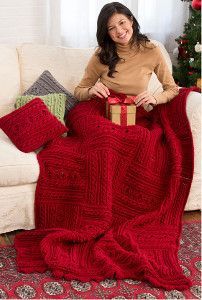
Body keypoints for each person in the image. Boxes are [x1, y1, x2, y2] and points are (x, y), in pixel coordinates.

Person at [74, 1, 179, 107]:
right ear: (107, 33)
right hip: (104, 111)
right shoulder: (102, 54)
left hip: (134, 114)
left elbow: (172, 89)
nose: (119, 31)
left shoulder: (151, 50)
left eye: (122, 22)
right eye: (111, 28)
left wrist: (155, 99)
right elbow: (78, 91)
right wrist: (90, 91)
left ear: (131, 20)